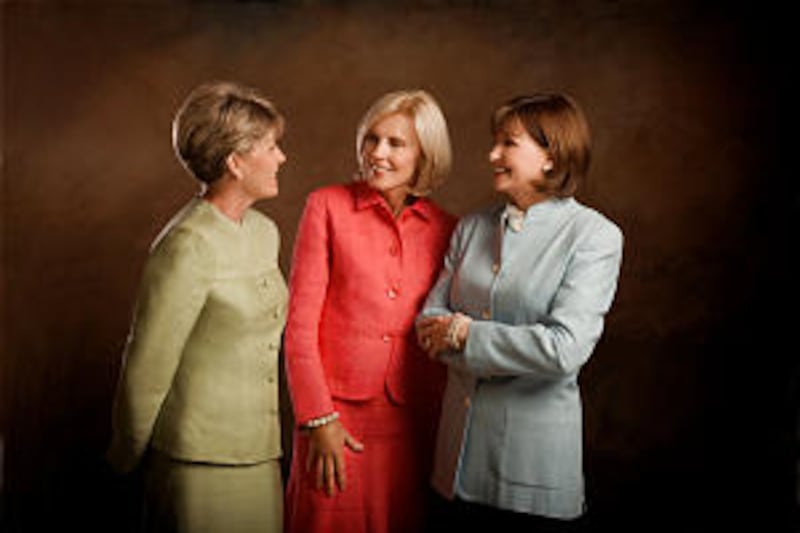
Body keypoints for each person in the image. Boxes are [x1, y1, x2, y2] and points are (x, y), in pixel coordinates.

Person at [416, 93, 623, 532]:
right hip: (454, 465)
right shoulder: (472, 227)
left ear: (551, 157)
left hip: (532, 475)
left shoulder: (594, 236)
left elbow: (564, 350)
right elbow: (428, 321)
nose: (492, 155)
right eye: (495, 142)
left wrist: (466, 336)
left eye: (507, 143)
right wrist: (457, 335)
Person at [106, 80, 289, 532]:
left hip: (261, 453)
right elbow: (146, 366)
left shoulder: (266, 232)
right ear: (235, 161)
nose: (281, 157)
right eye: (271, 146)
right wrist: (125, 458)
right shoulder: (186, 245)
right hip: (197, 460)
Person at [283, 89, 457, 533]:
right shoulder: (326, 206)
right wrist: (317, 419)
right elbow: (299, 327)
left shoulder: (449, 230)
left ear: (425, 154)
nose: (378, 153)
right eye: (371, 139)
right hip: (335, 414)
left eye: (396, 144)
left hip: (412, 417)